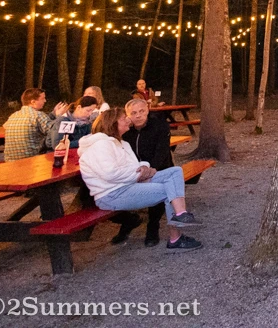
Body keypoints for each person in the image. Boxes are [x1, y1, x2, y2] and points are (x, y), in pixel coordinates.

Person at [79, 107, 202, 252]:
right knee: (170, 191)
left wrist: (144, 166)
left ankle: (181, 214)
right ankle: (176, 239)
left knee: (175, 172)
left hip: (127, 185)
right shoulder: (100, 145)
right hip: (111, 194)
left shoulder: (121, 143)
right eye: (124, 118)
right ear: (113, 123)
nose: (128, 120)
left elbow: (133, 165)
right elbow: (110, 173)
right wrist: (139, 175)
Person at [122, 98, 175, 246]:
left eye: (141, 111)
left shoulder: (160, 126)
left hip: (158, 167)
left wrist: (152, 169)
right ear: (127, 115)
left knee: (158, 187)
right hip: (133, 170)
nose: (138, 115)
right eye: (133, 113)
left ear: (147, 111)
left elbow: (162, 151)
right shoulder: (125, 131)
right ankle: (127, 221)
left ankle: (153, 226)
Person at [4, 89, 70, 161]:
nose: (45, 101)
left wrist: (53, 113)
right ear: (33, 102)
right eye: (43, 98)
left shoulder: (13, 115)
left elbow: (5, 126)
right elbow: (54, 133)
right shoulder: (38, 115)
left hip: (9, 161)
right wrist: (59, 117)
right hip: (31, 160)